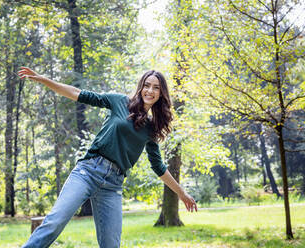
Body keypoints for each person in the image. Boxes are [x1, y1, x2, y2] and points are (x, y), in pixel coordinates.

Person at [18, 67, 197, 248]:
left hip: (112, 185)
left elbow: (158, 166)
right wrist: (43, 80)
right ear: (141, 87)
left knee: (111, 244)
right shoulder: (120, 102)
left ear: (161, 93)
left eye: (156, 87)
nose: (150, 91)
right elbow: (78, 93)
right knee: (55, 223)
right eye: (147, 85)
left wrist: (182, 194)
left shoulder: (151, 129)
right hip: (87, 172)